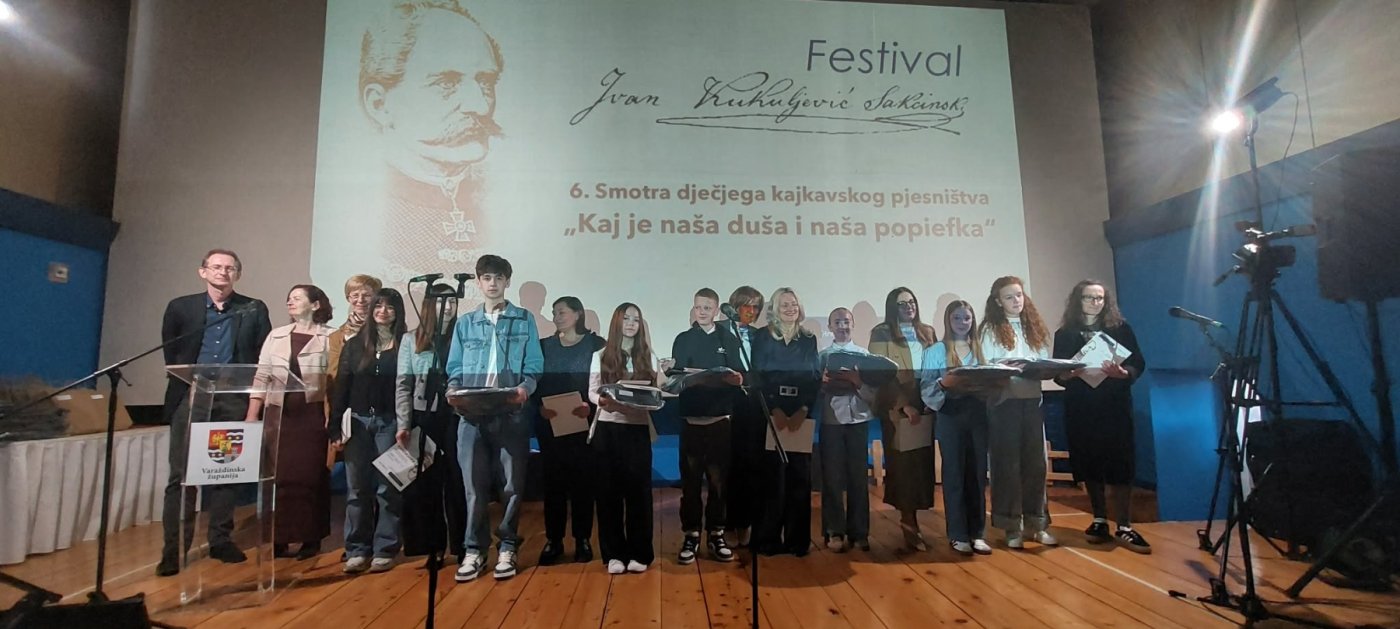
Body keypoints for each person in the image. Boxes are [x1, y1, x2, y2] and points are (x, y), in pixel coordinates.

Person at [358, 0, 504, 281]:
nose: (480, 106)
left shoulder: (500, 198)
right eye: (447, 83)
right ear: (379, 104)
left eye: (485, 82)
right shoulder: (368, 208)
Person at [156, 249, 272, 577]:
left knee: (225, 470)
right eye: (216, 267)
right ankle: (173, 549)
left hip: (232, 400)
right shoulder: (180, 307)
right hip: (191, 398)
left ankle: (220, 539)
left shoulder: (253, 308)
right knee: (181, 476)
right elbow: (172, 352)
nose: (223, 272)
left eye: (230, 268)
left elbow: (260, 355)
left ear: (238, 274)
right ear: (203, 271)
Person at [446, 255, 543, 582]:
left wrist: (524, 389)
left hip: (510, 412)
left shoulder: (523, 319)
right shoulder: (465, 323)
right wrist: (453, 390)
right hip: (471, 414)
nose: (492, 283)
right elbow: (454, 367)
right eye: (486, 278)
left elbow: (534, 365)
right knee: (474, 487)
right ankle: (474, 550)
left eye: (498, 278)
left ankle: (508, 546)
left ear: (507, 282)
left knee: (512, 485)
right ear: (478, 282)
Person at [1053, 280, 1151, 553]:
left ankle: (1124, 524)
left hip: (1114, 406)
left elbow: (1138, 362)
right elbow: (1057, 372)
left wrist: (1124, 373)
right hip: (1081, 407)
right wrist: (1067, 375)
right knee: (1089, 460)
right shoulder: (1065, 333)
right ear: (1078, 300)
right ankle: (1098, 519)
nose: (1095, 303)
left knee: (1121, 462)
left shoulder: (1121, 329)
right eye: (1089, 297)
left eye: (1099, 298)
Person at [245, 285, 335, 560]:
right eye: (289, 298)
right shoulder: (276, 335)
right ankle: (279, 538)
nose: (290, 302)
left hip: (313, 415)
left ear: (315, 305)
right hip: (280, 415)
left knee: (310, 477)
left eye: (297, 298)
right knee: (279, 477)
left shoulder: (330, 337)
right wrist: (252, 414)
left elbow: (334, 379)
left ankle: (311, 537)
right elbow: (262, 376)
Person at [331, 288, 408, 574]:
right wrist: (334, 423)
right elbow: (342, 385)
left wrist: (406, 424)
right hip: (358, 423)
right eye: (379, 305)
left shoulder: (406, 344)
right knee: (357, 488)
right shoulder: (354, 344)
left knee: (389, 488)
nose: (383, 311)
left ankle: (385, 548)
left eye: (389, 307)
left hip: (391, 424)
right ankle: (356, 549)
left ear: (398, 311)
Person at [979, 276, 1056, 549]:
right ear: (998, 302)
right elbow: (987, 365)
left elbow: (1043, 359)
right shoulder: (989, 329)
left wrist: (1041, 368)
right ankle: (1012, 526)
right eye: (1009, 297)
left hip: (1032, 400)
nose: (1016, 301)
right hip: (1004, 402)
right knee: (1006, 465)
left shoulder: (1033, 327)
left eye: (1019, 295)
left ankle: (1038, 523)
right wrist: (1008, 368)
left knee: (1036, 465)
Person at [671, 288, 745, 564]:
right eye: (698, 307)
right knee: (690, 482)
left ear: (716, 310)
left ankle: (717, 533)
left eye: (707, 308)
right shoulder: (683, 339)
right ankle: (691, 534)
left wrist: (735, 379)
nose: (701, 312)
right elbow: (676, 378)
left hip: (719, 419)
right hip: (691, 419)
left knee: (718, 482)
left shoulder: (728, 338)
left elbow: (738, 374)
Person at [397, 282, 469, 563]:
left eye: (452, 302)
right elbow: (403, 384)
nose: (448, 307)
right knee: (426, 484)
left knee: (457, 481)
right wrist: (404, 423)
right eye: (441, 302)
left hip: (456, 416)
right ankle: (433, 547)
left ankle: (463, 546)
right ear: (429, 305)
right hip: (423, 416)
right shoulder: (411, 339)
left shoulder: (462, 334)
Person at [589, 303, 663, 574]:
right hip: (608, 428)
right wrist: (604, 400)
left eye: (636, 319)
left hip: (637, 428)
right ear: (617, 322)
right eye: (626, 318)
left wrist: (658, 389)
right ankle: (614, 555)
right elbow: (592, 392)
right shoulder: (600, 355)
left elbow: (657, 393)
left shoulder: (649, 355)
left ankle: (640, 553)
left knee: (639, 494)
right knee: (608, 494)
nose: (631, 323)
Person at [533, 296, 605, 565]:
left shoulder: (596, 345)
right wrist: (539, 407)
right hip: (551, 425)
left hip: (583, 426)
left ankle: (582, 539)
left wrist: (591, 406)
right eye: (554, 313)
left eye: (562, 312)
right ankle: (554, 540)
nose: (556, 317)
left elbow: (604, 382)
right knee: (553, 486)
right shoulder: (544, 346)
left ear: (577, 314)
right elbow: (535, 382)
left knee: (583, 486)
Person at [750, 288, 820, 556]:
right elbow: (758, 375)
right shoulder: (762, 337)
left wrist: (804, 408)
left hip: (800, 413)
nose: (790, 309)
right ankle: (767, 539)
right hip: (771, 412)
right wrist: (775, 409)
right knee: (772, 478)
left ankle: (797, 541)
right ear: (775, 310)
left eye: (794, 304)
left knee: (800, 478)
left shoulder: (808, 339)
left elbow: (814, 377)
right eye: (784, 305)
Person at [920, 301, 993, 556]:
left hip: (978, 414)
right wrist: (944, 383)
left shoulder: (981, 349)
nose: (963, 323)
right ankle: (958, 534)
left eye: (967, 318)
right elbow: (926, 387)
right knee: (954, 474)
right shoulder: (935, 351)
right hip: (950, 414)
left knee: (977, 474)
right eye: (957, 318)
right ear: (948, 321)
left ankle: (978, 533)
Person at [868, 287, 938, 551]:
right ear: (892, 307)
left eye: (911, 302)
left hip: (926, 403)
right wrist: (903, 405)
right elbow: (880, 373)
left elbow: (936, 366)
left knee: (922, 466)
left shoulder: (927, 332)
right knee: (903, 467)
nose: (909, 306)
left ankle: (915, 519)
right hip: (898, 409)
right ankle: (909, 523)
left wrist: (932, 399)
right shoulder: (881, 332)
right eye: (902, 303)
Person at [817, 307, 875, 552]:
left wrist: (857, 381)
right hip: (831, 420)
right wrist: (823, 384)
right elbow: (815, 392)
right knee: (832, 478)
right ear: (830, 327)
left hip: (859, 419)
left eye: (847, 321)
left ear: (853, 324)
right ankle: (834, 531)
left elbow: (873, 393)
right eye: (837, 322)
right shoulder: (822, 356)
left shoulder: (865, 355)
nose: (842, 326)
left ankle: (859, 532)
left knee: (858, 477)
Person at [724, 285, 765, 548]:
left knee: (752, 465)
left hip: (755, 406)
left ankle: (747, 522)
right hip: (728, 405)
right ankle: (729, 523)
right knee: (729, 466)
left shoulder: (761, 336)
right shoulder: (720, 332)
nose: (751, 310)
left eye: (755, 306)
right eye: (745, 305)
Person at [327, 275, 384, 403]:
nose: (360, 300)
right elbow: (334, 372)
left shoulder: (387, 330)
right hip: (348, 398)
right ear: (348, 298)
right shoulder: (337, 336)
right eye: (355, 295)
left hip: (379, 397)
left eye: (367, 295)